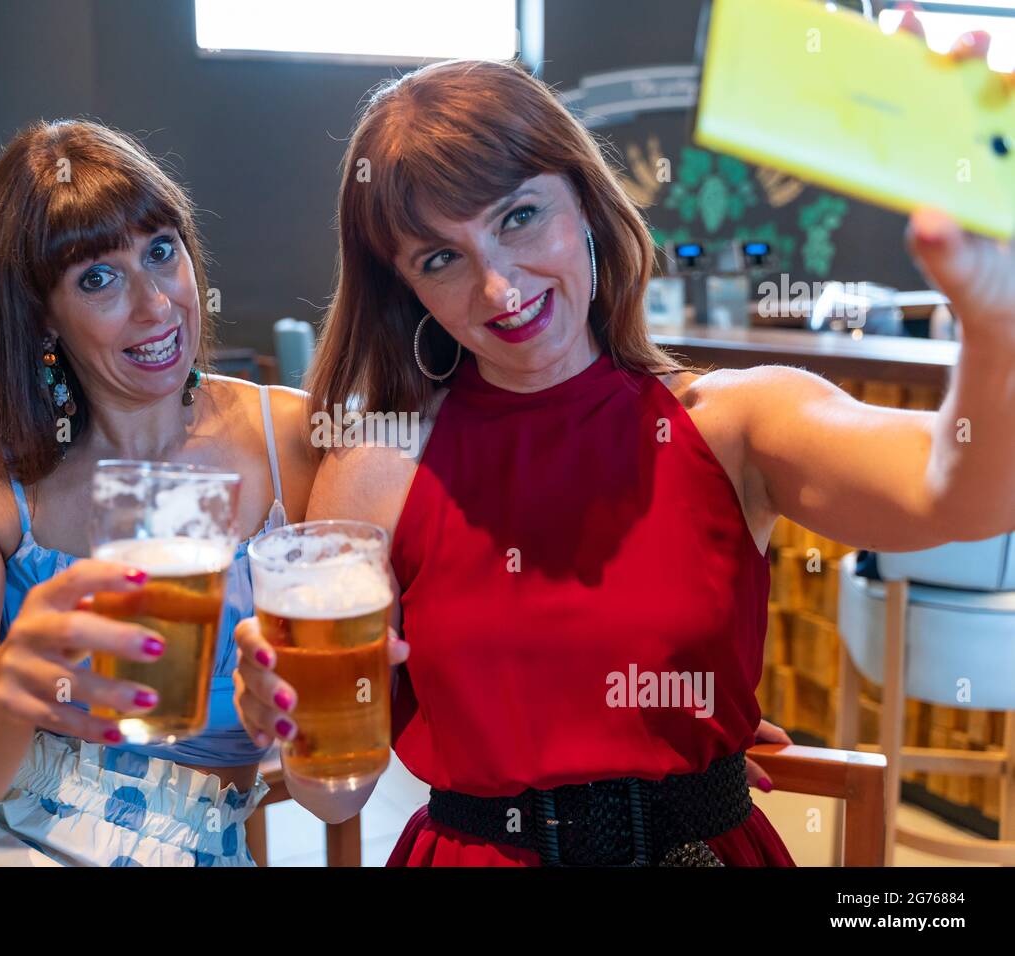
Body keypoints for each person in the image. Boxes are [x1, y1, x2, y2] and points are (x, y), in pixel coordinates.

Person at [234, 27, 1015, 866]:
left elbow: (962, 494)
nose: (499, 286)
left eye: (520, 217)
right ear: (406, 289)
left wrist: (995, 316)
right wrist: (289, 721)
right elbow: (334, 792)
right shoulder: (379, 472)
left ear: (586, 206)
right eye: (440, 258)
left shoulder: (734, 421)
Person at [0, 120, 317, 866]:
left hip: (185, 840)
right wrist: (5, 689)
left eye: (161, 252)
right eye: (97, 278)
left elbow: (343, 776)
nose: (155, 305)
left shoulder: (291, 439)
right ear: (40, 316)